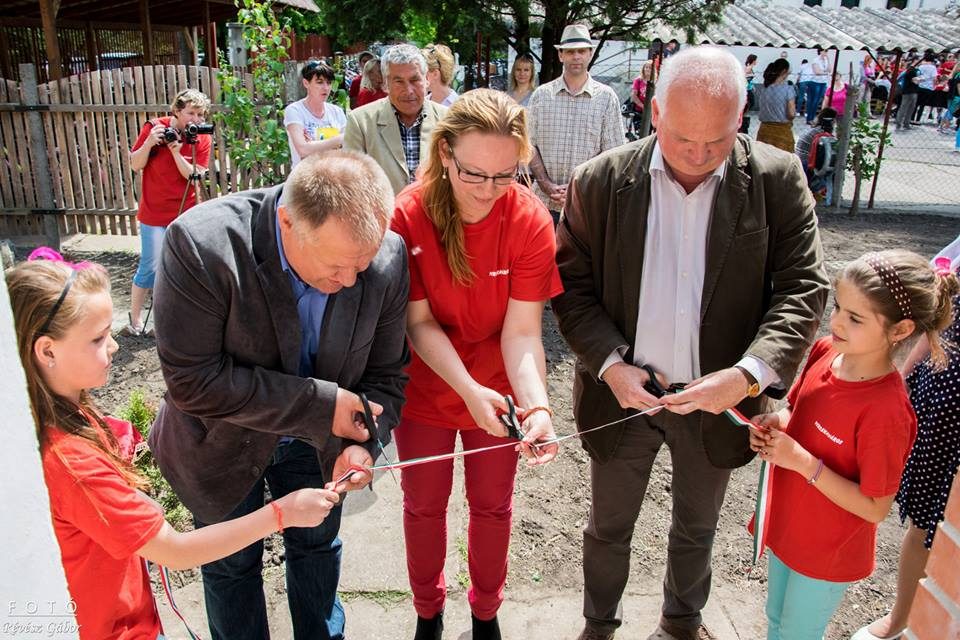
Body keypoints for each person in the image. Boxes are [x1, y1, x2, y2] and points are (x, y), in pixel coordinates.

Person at [552, 45, 829, 640]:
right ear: (655, 112)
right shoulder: (601, 181)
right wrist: (609, 366)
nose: (700, 158)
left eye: (719, 140)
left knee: (698, 525)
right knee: (608, 525)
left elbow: (805, 288)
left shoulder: (777, 179)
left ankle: (682, 624)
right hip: (626, 395)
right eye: (684, 141)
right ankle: (598, 627)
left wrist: (749, 374)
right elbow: (571, 289)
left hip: (718, 398)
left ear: (742, 116)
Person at [8, 251, 342, 640]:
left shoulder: (58, 415)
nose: (114, 346)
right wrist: (281, 513)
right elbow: (176, 551)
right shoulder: (71, 462)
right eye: (98, 338)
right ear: (47, 351)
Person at [148, 151, 411, 640]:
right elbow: (191, 380)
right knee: (230, 564)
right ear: (287, 221)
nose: (351, 282)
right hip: (219, 443)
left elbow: (387, 374)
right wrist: (323, 406)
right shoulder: (202, 245)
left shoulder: (388, 258)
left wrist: (363, 443)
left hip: (318, 449)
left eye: (362, 264)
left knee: (317, 547)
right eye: (337, 266)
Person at [390, 88, 562, 640]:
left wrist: (536, 406)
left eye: (504, 176)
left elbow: (522, 331)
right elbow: (418, 323)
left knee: (492, 506)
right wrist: (465, 388)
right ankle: (427, 612)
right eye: (473, 175)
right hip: (428, 388)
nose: (489, 192)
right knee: (423, 506)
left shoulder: (530, 221)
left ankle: (486, 613)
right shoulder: (409, 215)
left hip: (499, 391)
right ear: (444, 153)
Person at [750, 250, 958, 640]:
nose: (837, 322)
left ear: (899, 331)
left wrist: (802, 462)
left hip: (827, 552)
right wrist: (774, 423)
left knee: (797, 633)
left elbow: (876, 506)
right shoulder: (827, 351)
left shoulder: (887, 412)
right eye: (839, 307)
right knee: (776, 619)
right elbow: (796, 410)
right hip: (788, 525)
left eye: (855, 318)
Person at [852, 245, 960, 640]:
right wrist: (903, 377)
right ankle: (903, 618)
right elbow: (936, 320)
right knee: (926, 520)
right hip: (942, 412)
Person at [122, 88, 212, 337]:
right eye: (191, 113)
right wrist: (151, 141)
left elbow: (193, 175)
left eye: (200, 114)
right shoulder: (154, 127)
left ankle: (173, 320)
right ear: (176, 111)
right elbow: (135, 164)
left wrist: (175, 151)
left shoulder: (201, 136)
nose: (195, 119)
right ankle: (135, 319)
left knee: (184, 266)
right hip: (154, 211)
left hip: (186, 212)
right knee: (150, 266)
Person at [527, 24, 624, 225]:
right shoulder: (541, 96)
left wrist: (579, 187)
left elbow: (613, 154)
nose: (576, 56)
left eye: (581, 51)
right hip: (544, 204)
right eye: (570, 51)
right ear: (561, 55)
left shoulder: (606, 98)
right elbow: (528, 145)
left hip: (588, 207)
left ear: (590, 54)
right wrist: (546, 184)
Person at [344, 44, 447, 195]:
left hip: (435, 216)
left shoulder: (447, 120)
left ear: (426, 80)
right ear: (385, 84)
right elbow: (352, 184)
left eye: (415, 80)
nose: (409, 90)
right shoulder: (361, 122)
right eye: (399, 81)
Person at [284, 60, 347, 168]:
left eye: (328, 82)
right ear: (306, 83)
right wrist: (338, 139)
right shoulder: (295, 110)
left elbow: (348, 146)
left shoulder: (337, 112)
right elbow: (303, 149)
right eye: (319, 82)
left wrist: (313, 145)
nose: (326, 88)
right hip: (305, 177)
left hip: (334, 174)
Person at [795, 107, 838, 204]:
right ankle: (822, 191)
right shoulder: (822, 133)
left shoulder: (816, 129)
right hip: (805, 162)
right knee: (830, 167)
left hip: (800, 159)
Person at [755, 58, 797, 152]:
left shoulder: (764, 89)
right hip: (782, 134)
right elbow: (791, 114)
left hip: (764, 132)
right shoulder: (788, 90)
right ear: (784, 71)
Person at [806, 48, 831, 125]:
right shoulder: (815, 60)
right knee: (814, 100)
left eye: (827, 51)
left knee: (818, 101)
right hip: (815, 82)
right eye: (824, 50)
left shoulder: (826, 60)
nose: (826, 52)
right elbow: (817, 72)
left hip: (823, 82)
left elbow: (829, 70)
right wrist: (825, 73)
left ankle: (813, 118)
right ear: (820, 51)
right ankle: (810, 118)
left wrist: (828, 59)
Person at [895, 57, 921, 132]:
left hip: (912, 91)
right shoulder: (911, 71)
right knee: (905, 107)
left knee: (910, 108)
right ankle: (900, 123)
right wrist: (921, 79)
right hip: (908, 92)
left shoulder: (915, 71)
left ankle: (905, 123)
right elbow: (915, 81)